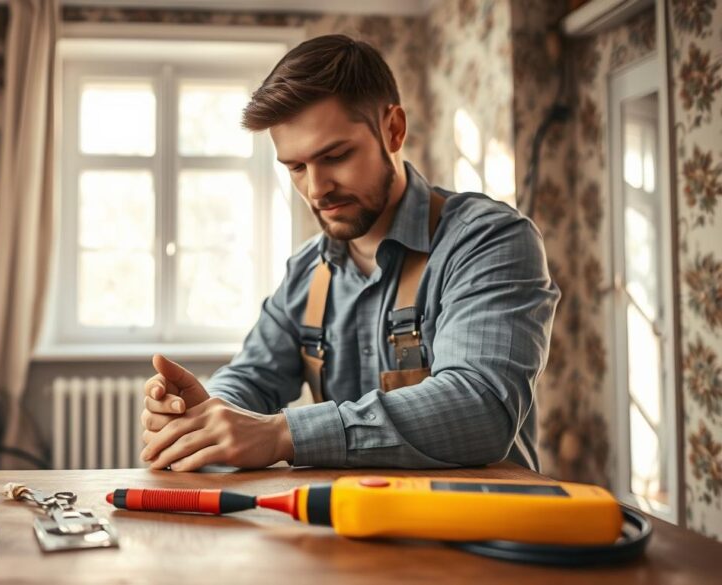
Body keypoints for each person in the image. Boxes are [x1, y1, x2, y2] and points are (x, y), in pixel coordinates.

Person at [140, 34, 560, 472]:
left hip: (480, 531)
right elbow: (250, 377)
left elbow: (480, 407)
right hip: (347, 530)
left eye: (336, 155)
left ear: (393, 129)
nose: (316, 188)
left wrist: (282, 433)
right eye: (296, 168)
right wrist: (201, 415)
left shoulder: (489, 240)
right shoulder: (305, 273)